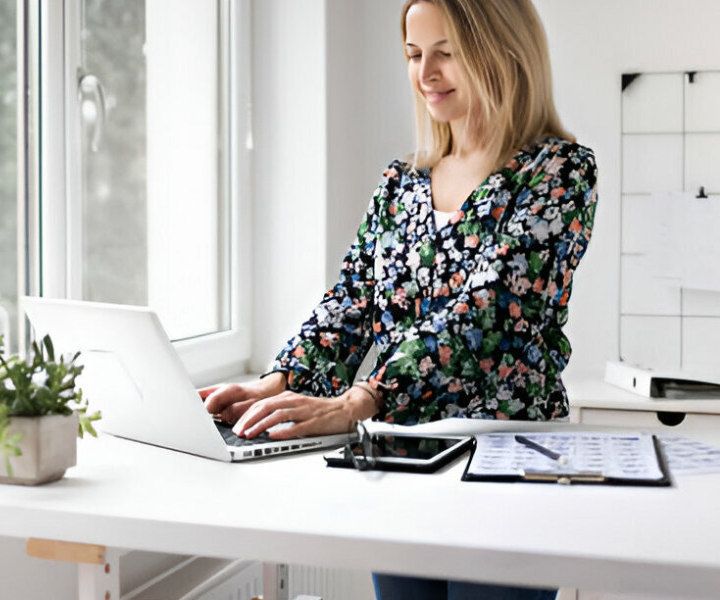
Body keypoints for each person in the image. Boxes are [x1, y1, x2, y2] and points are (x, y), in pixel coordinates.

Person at [202, 0, 596, 598]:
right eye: (414, 55)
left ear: (505, 51)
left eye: (447, 53)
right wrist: (280, 379)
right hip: (400, 457)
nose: (425, 74)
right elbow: (354, 297)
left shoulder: (558, 172)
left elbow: (493, 314)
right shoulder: (401, 183)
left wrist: (363, 396)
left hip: (505, 460)